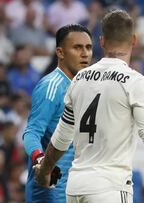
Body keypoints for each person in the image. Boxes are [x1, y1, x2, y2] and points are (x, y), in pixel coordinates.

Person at [34, 10, 144, 203]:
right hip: (109, 187)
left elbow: (62, 135)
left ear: (101, 41)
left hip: (76, 188)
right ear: (133, 41)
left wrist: (45, 170)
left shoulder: (79, 79)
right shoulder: (135, 82)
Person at [23, 24, 92, 203]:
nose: (85, 53)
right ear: (60, 53)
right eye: (77, 47)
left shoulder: (86, 87)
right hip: (51, 190)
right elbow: (31, 133)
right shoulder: (51, 86)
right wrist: (41, 161)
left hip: (77, 188)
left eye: (88, 47)